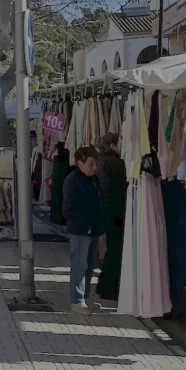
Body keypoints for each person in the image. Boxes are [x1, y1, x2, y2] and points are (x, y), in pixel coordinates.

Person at [63, 145, 107, 314]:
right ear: (80, 163)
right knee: (79, 265)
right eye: (91, 164)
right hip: (80, 231)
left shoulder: (93, 179)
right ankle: (77, 300)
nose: (94, 167)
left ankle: (86, 296)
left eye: (96, 164)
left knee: (89, 265)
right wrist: (84, 225)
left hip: (93, 229)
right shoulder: (72, 181)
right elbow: (68, 210)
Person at [96, 133, 127, 300]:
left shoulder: (102, 161)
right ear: (114, 146)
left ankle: (105, 285)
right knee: (115, 250)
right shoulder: (114, 163)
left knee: (111, 249)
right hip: (115, 212)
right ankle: (108, 287)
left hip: (106, 211)